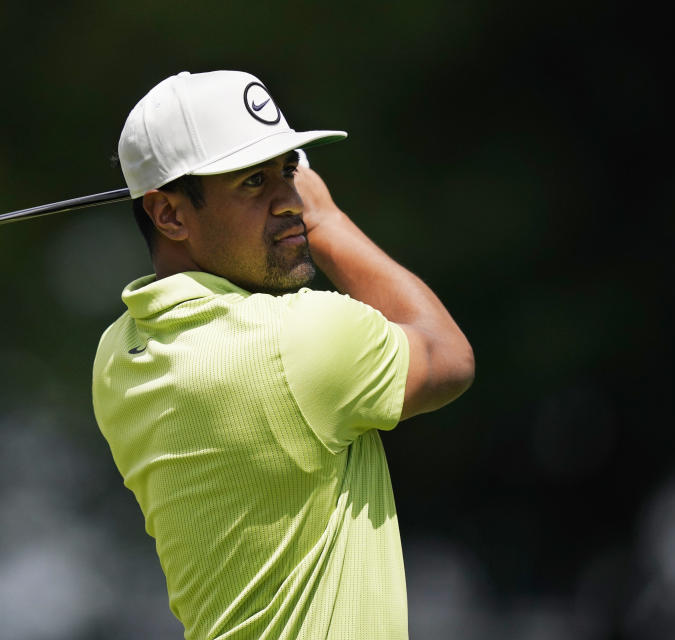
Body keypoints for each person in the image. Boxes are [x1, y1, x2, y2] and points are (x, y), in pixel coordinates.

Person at [92, 70, 474, 639]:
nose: (290, 202)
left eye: (288, 172)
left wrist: (271, 192)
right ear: (169, 215)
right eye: (253, 182)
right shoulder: (297, 342)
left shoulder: (116, 357)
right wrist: (328, 220)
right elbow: (449, 357)